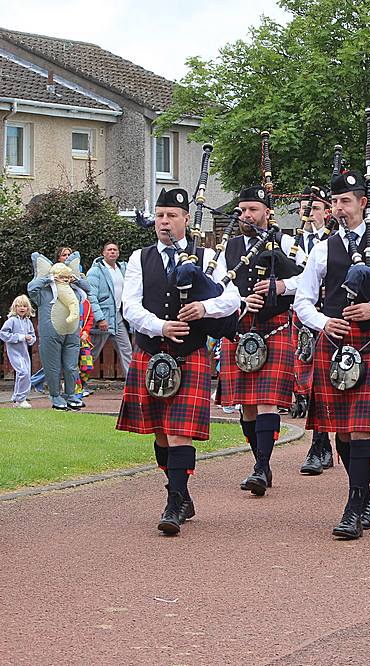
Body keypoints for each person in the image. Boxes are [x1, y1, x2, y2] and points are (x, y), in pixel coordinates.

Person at [293, 170, 370, 539]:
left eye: (345, 201)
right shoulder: (323, 247)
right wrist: (323, 322)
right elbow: (303, 300)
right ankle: (362, 495)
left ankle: (354, 502)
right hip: (334, 342)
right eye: (334, 202)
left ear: (363, 203)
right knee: (343, 433)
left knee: (362, 428)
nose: (338, 208)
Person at [116, 187, 240, 535]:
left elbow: (231, 299)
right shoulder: (140, 258)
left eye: (171, 216)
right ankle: (178, 494)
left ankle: (176, 500)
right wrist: (160, 326)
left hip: (190, 353)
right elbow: (130, 306)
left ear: (187, 219)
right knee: (160, 434)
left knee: (179, 431)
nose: (164, 222)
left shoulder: (208, 256)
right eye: (160, 216)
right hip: (151, 352)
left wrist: (204, 307)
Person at [214, 186, 301, 496]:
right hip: (239, 327)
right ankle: (259, 463)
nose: (245, 215)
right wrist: (239, 299)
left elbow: (306, 280)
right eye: (241, 210)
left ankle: (262, 467)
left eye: (252, 209)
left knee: (266, 402)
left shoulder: (287, 242)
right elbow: (216, 286)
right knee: (247, 406)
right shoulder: (228, 247)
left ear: (266, 211)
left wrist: (278, 285)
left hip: (273, 326)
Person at [293, 187, 337, 476]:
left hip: (330, 317)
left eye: (314, 208)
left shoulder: (333, 243)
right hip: (303, 316)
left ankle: (320, 446)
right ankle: (322, 447)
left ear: (326, 212)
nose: (307, 212)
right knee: (310, 386)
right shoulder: (291, 243)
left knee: (325, 384)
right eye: (303, 207)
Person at [27, 248, 90, 410]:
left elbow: (88, 287)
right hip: (51, 335)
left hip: (72, 333)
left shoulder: (75, 290)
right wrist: (48, 278)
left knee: (71, 367)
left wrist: (74, 279)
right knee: (52, 367)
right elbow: (31, 288)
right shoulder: (44, 292)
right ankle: (55, 395)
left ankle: (70, 394)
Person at [87, 242, 132, 378]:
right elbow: (91, 296)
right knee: (91, 353)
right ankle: (75, 386)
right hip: (103, 317)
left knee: (126, 350)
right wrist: (100, 318)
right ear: (103, 253)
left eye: (115, 250)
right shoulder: (95, 271)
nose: (112, 252)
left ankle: (132, 386)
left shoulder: (123, 269)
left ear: (118, 253)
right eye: (109, 250)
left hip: (117, 316)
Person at [1, 295, 36, 407]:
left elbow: (32, 335)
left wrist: (30, 339)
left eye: (25, 306)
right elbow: (3, 334)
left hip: (24, 353)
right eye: (19, 306)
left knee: (26, 373)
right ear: (15, 307)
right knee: (23, 372)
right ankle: (20, 399)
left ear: (28, 308)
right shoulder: (11, 321)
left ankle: (18, 399)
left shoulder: (28, 322)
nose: (22, 308)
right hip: (14, 352)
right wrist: (20, 337)